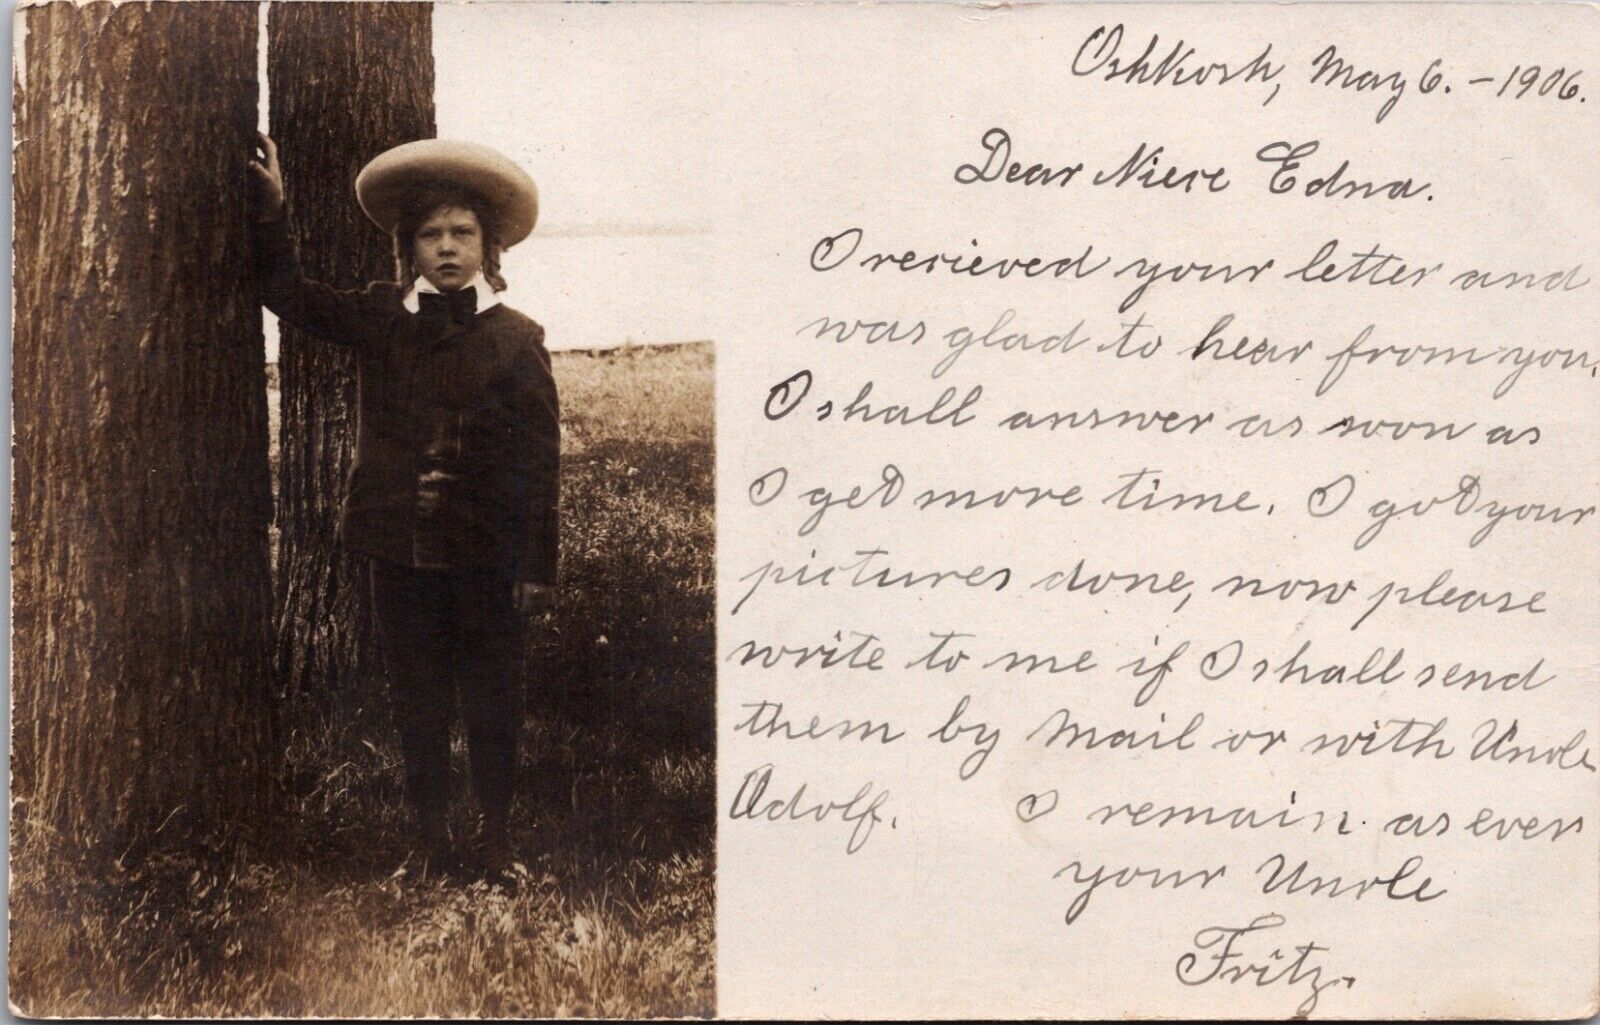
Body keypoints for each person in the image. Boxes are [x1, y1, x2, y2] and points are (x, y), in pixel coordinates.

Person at [249, 134, 560, 882]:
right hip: (401, 551)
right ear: (409, 246)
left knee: (492, 697)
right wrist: (271, 214)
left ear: (490, 249)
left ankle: (494, 840)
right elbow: (286, 294)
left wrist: (534, 564)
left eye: (463, 233)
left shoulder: (518, 340)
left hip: (490, 556)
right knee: (417, 697)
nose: (447, 249)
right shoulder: (380, 316)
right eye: (431, 234)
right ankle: (429, 842)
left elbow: (539, 462)